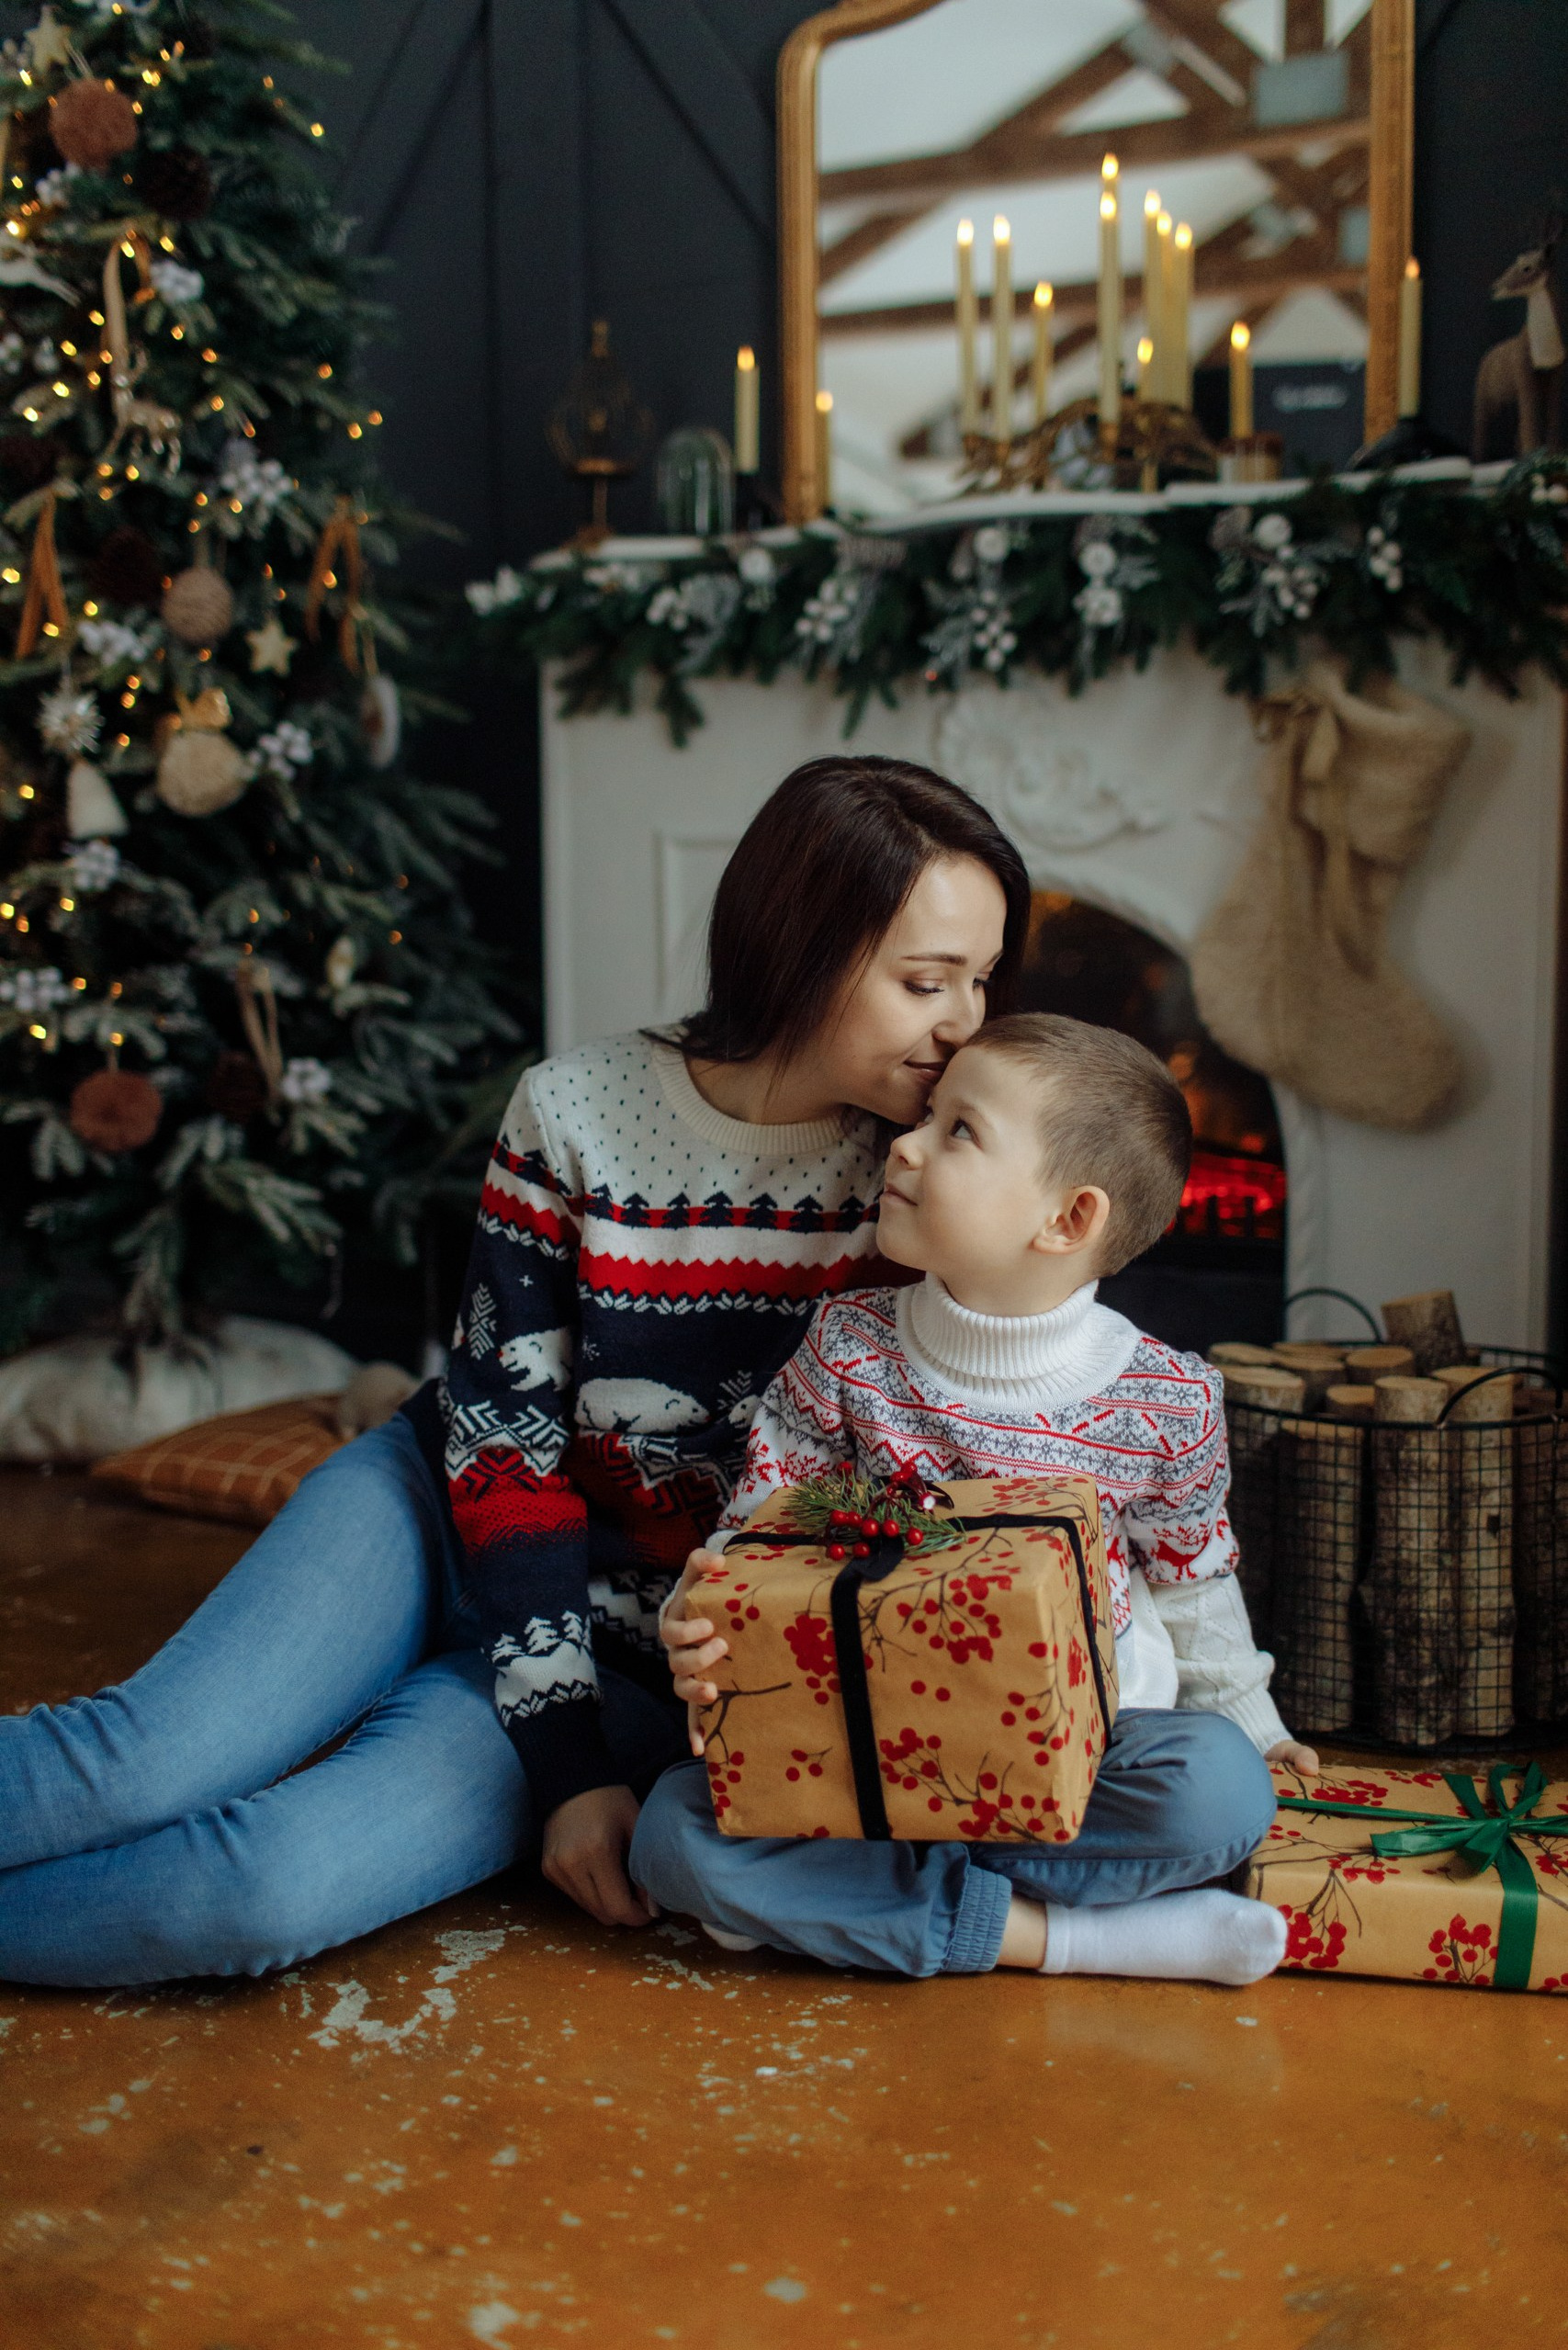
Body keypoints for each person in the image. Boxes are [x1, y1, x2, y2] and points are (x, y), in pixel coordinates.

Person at [0, 755, 1030, 1986]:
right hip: (438, 1507)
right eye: (926, 982)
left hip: (640, 1640)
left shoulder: (923, 1185)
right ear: (800, 948)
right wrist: (564, 1763)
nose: (963, 1020)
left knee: (256, 1889)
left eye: (977, 979)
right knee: (145, 1759)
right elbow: (504, 1439)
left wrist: (587, 1758)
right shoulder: (575, 1111)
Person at [636, 1015, 1318, 1987]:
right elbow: (756, 1539)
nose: (904, 1144)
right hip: (869, 1741)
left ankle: (848, 1898)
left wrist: (1255, 1721)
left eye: (959, 1130)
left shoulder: (1168, 1398)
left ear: (1067, 1219)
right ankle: (1066, 1939)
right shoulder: (847, 1348)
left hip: (1086, 1753)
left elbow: (1192, 1581)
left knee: (1221, 1792)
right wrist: (698, 1616)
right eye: (928, 1114)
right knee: (670, 1835)